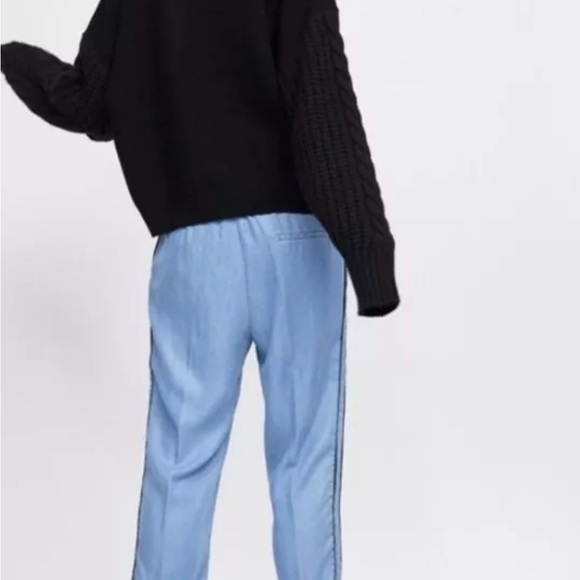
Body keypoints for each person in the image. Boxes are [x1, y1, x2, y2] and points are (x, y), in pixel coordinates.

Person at [1, 0, 400, 577]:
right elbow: (322, 104)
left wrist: (13, 58)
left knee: (178, 465)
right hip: (294, 240)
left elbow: (87, 101)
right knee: (303, 464)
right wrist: (368, 249)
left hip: (193, 249)